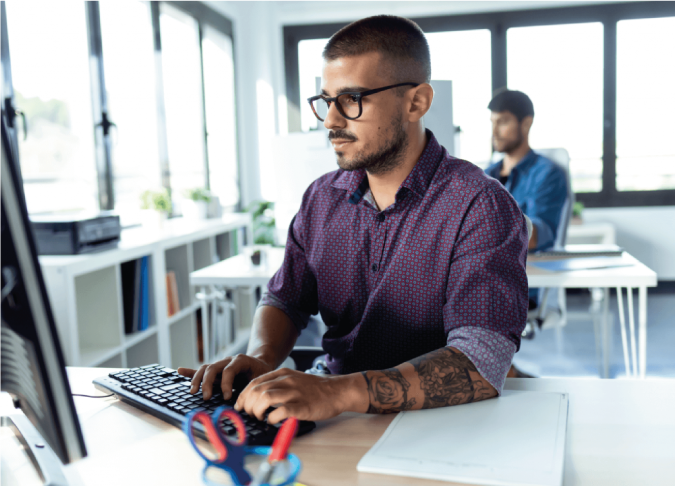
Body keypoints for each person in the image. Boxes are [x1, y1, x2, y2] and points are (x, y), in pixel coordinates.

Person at [178, 15, 529, 424]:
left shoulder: (480, 205)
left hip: (443, 421)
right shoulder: (321, 198)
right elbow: (285, 299)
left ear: (416, 102)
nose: (330, 120)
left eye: (351, 99)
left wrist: (337, 391)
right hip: (334, 409)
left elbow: (481, 361)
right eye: (326, 101)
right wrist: (261, 357)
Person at [485, 90, 568, 377]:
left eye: (504, 121)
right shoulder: (487, 174)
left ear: (526, 123)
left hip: (520, 283)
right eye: (492, 121)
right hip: (485, 274)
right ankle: (503, 372)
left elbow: (537, 234)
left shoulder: (548, 173)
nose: (495, 130)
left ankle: (501, 372)